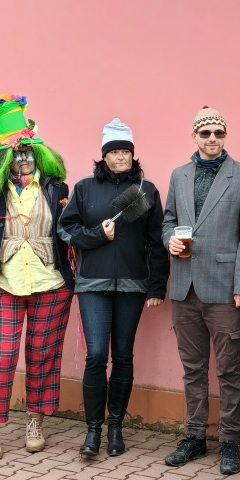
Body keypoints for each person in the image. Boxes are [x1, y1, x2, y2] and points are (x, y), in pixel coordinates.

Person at [0, 94, 74, 460]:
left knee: (43, 355)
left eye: (29, 152)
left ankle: (35, 421)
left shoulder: (56, 189)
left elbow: (70, 230)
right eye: (16, 154)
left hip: (50, 283)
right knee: (1, 358)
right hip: (1, 283)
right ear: (4, 159)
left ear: (39, 154)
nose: (23, 159)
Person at [58, 118, 169, 457]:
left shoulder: (146, 190)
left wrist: (156, 286)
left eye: (125, 152)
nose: (120, 157)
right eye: (114, 152)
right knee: (96, 354)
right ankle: (93, 429)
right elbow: (66, 229)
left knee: (123, 355)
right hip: (93, 284)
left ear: (132, 155)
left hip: (133, 285)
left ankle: (116, 427)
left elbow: (156, 241)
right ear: (103, 156)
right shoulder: (84, 188)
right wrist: (97, 235)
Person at [161, 105, 240, 475]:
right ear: (195, 137)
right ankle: (195, 436)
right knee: (193, 368)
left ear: (225, 136)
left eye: (219, 132)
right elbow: (169, 220)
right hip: (184, 285)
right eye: (206, 133)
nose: (213, 139)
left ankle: (230, 440)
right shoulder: (179, 175)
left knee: (229, 370)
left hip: (224, 288)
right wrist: (169, 239)